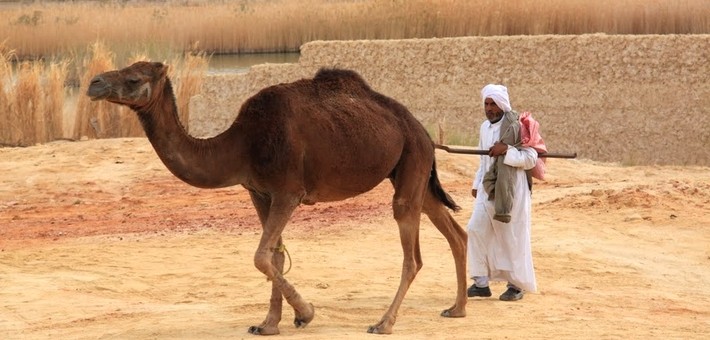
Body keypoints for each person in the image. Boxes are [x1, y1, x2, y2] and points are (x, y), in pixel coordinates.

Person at [466, 84, 538, 301]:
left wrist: (507, 150)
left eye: (493, 104)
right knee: (475, 229)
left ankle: (516, 285)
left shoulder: (517, 127)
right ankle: (480, 282)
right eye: (486, 104)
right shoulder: (484, 128)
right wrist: (477, 183)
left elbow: (531, 159)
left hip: (511, 191)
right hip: (487, 189)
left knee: (511, 238)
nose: (489, 108)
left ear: (502, 105)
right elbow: (483, 161)